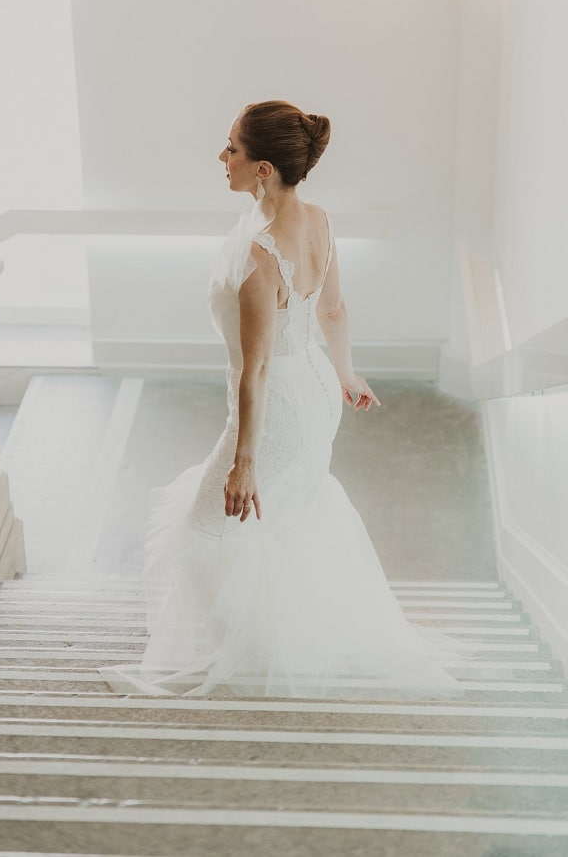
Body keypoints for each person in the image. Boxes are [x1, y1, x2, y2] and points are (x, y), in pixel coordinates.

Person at [101, 100, 466, 700]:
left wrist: (244, 460)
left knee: (203, 529)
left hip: (280, 411)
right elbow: (334, 308)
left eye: (232, 150)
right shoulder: (318, 219)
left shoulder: (260, 255)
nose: (222, 158)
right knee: (291, 514)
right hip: (318, 392)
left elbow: (258, 365)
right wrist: (349, 377)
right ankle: (285, 638)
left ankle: (254, 649)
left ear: (264, 168)